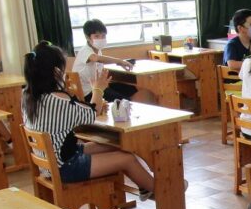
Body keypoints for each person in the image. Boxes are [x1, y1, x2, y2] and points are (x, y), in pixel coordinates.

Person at [22, 41, 154, 195]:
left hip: (50, 162)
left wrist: (95, 94)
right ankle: (161, 192)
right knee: (128, 159)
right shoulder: (58, 99)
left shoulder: (27, 95)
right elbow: (92, 113)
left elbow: (82, 112)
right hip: (65, 166)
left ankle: (145, 187)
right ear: (56, 71)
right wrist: (98, 89)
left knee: (119, 144)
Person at [73, 19, 141, 103]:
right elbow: (95, 58)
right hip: (89, 93)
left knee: (132, 89)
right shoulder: (85, 50)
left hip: (98, 87)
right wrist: (119, 61)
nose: (101, 39)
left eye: (103, 36)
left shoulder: (98, 50)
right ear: (87, 37)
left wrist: (119, 62)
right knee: (124, 100)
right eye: (96, 36)